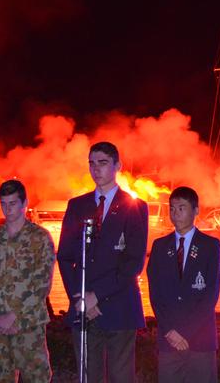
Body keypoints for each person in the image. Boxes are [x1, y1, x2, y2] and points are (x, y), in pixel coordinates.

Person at [57, 141, 148, 382]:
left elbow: (133, 262)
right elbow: (65, 257)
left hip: (120, 307)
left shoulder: (135, 207)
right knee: (87, 377)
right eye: (92, 163)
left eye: (103, 163)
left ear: (118, 166)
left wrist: (98, 296)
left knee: (121, 377)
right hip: (83, 309)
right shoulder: (77, 206)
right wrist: (80, 297)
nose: (96, 169)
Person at [0, 179, 56, 382]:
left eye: (12, 203)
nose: (7, 209)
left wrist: (13, 315)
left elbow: (42, 284)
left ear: (24, 203)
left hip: (29, 324)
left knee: (36, 377)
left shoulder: (40, 238)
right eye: (3, 203)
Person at [147, 186, 220, 383]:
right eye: (172, 208)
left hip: (200, 338)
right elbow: (155, 294)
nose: (175, 213)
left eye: (181, 207)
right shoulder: (159, 246)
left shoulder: (210, 246)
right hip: (168, 339)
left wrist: (186, 332)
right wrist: (170, 330)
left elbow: (211, 295)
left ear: (196, 210)